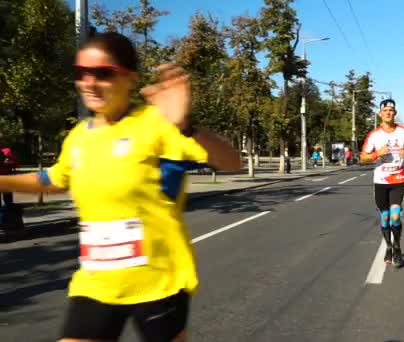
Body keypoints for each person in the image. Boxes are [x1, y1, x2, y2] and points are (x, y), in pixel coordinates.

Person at [0, 32, 241, 342]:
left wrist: (186, 127)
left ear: (130, 78)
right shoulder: (79, 137)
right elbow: (53, 180)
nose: (89, 82)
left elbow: (231, 162)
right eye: (81, 73)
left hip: (157, 284)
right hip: (96, 282)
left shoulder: (156, 124)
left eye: (102, 73)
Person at [360, 99, 404, 267]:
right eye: (385, 110)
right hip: (381, 181)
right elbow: (363, 158)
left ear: (394, 113)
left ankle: (397, 247)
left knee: (395, 215)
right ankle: (388, 246)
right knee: (384, 217)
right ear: (380, 114)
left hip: (398, 179)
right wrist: (376, 154)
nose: (388, 113)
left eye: (391, 110)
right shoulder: (374, 135)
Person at [0, 136, 16, 207]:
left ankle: (8, 214)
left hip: (6, 176)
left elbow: (13, 162)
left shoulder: (7, 150)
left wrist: (6, 162)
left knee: (8, 199)